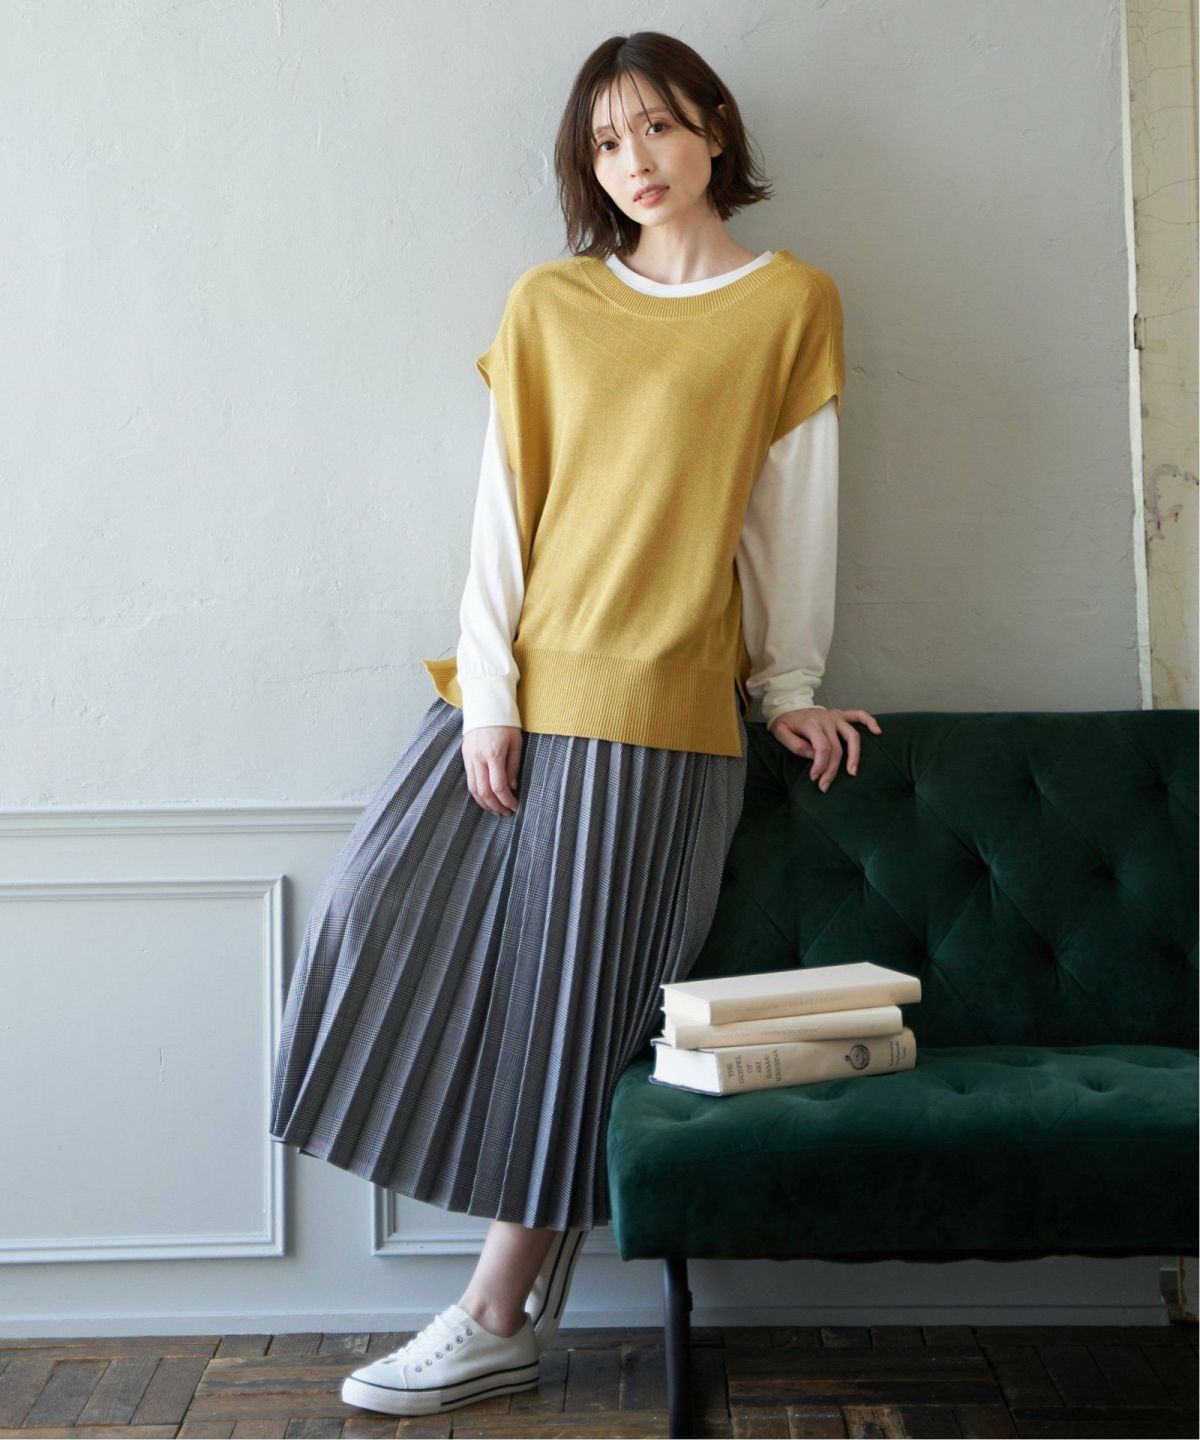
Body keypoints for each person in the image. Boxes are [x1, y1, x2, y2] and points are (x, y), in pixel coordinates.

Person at [269, 29, 882, 1420]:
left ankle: (494, 1314)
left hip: (662, 711)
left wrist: (789, 692)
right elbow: (505, 514)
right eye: (606, 143)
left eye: (657, 126)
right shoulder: (551, 300)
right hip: (521, 694)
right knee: (370, 915)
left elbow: (792, 513)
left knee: (573, 1008)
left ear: (714, 129)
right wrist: (491, 699)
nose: (636, 160)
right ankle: (507, 1289)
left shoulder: (792, 302)